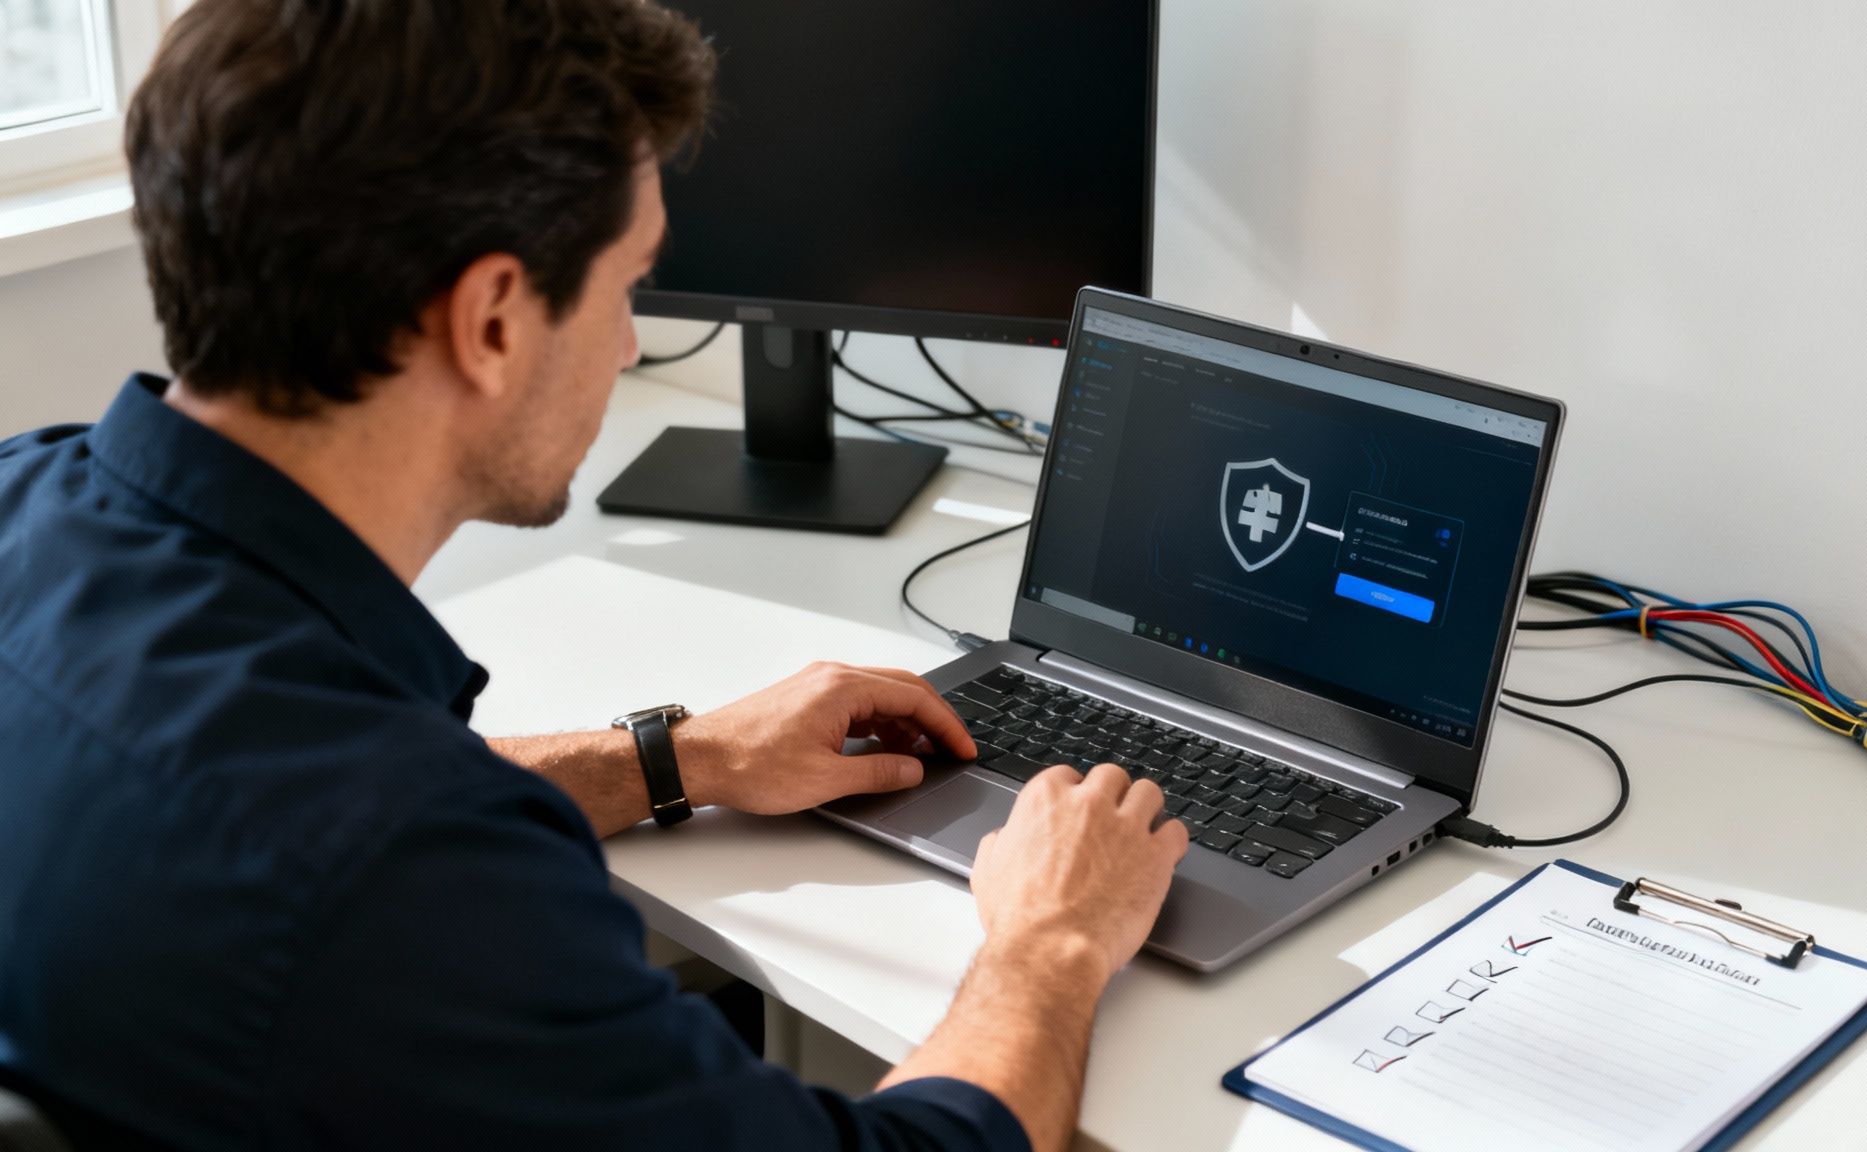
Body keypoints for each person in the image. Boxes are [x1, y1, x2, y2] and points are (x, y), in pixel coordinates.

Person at [0, 1, 1187, 1149]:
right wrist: (1053, 940)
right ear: (494, 320)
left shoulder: (25, 507)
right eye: (626, 285)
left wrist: (676, 759)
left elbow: (292, 794)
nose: (627, 345)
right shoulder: (406, 882)